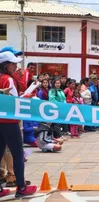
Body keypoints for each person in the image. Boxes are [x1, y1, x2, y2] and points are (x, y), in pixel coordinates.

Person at [0, 51, 37, 198]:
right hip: (10, 121)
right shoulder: (7, 80)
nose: (16, 66)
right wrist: (28, 96)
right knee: (18, 154)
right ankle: (21, 187)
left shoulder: (4, 78)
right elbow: (15, 101)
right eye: (13, 63)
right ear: (6, 65)